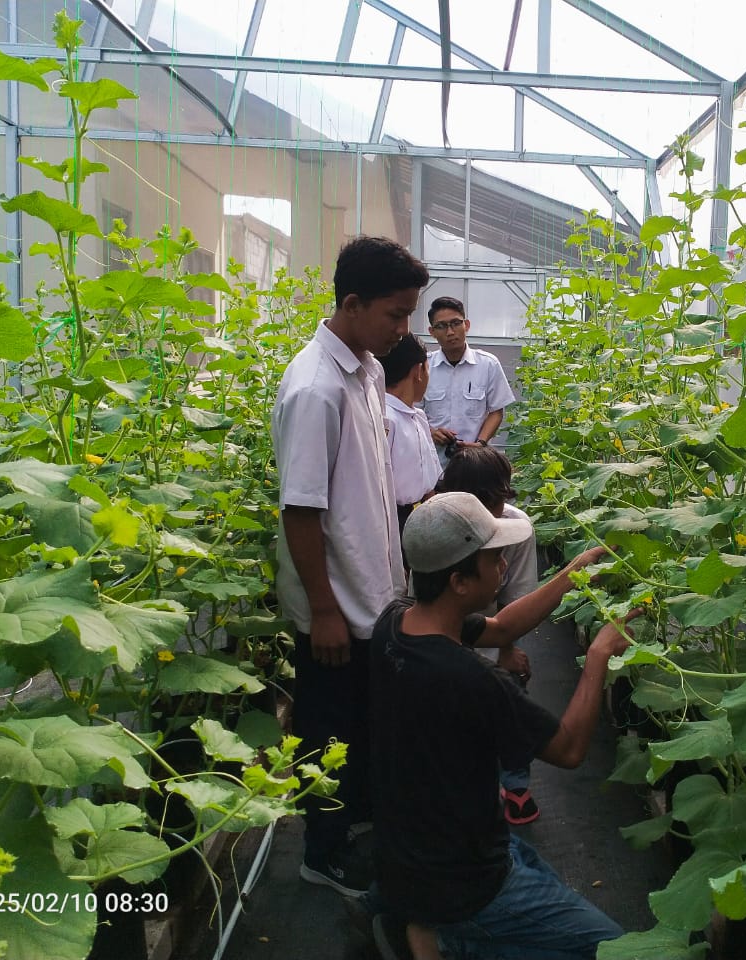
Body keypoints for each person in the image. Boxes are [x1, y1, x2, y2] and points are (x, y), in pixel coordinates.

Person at [369, 492, 634, 960]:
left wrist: (571, 576)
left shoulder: (393, 624)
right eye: (495, 560)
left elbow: (501, 629)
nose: (505, 568)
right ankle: (440, 938)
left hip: (415, 852)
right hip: (467, 881)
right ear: (459, 582)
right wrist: (598, 657)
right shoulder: (475, 680)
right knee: (619, 950)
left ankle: (421, 924)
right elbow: (570, 750)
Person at [271, 235, 429, 898]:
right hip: (334, 608)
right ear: (353, 302)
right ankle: (323, 853)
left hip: (368, 596)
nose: (405, 329)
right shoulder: (315, 388)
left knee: (358, 729)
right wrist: (326, 610)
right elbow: (301, 511)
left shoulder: (363, 368)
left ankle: (355, 830)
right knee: (326, 730)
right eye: (396, 314)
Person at [436, 444, 541, 825]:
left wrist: (507, 649)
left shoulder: (516, 528)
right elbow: (423, 601)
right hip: (443, 637)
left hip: (494, 629)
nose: (488, 516)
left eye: (494, 504)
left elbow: (517, 600)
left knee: (510, 700)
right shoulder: (432, 525)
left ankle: (515, 785)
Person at [421, 296, 515, 459]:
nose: (450, 332)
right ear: (432, 332)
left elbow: (496, 411)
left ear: (467, 325)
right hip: (432, 461)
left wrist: (480, 443)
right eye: (441, 326)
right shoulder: (423, 367)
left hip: (473, 464)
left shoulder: (488, 364)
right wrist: (431, 433)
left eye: (456, 323)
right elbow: (413, 411)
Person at [379, 334, 441, 533]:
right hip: (392, 521)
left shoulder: (418, 417)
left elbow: (429, 483)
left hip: (421, 516)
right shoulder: (386, 419)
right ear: (419, 371)